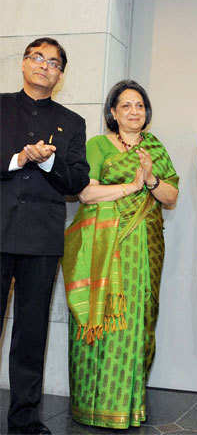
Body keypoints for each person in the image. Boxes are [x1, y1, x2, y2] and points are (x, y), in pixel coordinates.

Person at [61, 80, 179, 429]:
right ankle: (91, 405)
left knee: (140, 319)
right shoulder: (97, 145)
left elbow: (171, 197)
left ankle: (130, 405)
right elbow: (85, 192)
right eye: (125, 105)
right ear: (112, 112)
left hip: (146, 245)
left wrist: (152, 179)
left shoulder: (155, 148)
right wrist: (132, 185)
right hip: (104, 248)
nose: (134, 111)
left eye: (140, 105)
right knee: (102, 321)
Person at [0, 37, 90, 434]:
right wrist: (20, 159)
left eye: (54, 62)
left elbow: (77, 181)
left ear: (61, 74)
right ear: (23, 63)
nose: (44, 66)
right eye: (37, 58)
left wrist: (50, 160)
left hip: (41, 240)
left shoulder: (72, 123)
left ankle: (25, 420)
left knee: (31, 334)